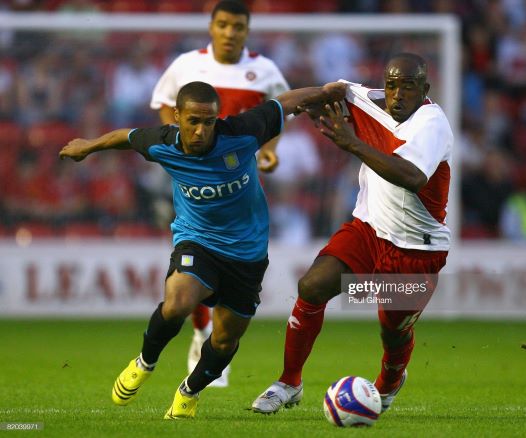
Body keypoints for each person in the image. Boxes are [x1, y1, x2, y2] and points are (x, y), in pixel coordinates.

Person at [58, 80, 346, 419]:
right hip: (198, 240)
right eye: (192, 120)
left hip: (247, 254)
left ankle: (188, 392)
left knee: (224, 340)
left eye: (208, 121)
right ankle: (145, 362)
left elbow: (285, 103)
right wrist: (88, 146)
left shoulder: (242, 131)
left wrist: (325, 93)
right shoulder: (164, 142)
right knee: (178, 302)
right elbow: (125, 136)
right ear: (177, 116)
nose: (200, 130)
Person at [252, 53, 453, 414]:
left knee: (391, 329)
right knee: (313, 286)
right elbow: (309, 99)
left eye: (408, 86)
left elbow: (412, 177)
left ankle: (390, 382)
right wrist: (290, 106)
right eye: (392, 85)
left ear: (424, 89)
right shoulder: (363, 99)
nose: (397, 94)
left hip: (415, 249)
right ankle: (289, 382)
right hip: (369, 228)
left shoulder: (432, 124)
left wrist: (352, 143)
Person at [150, 0, 290, 386]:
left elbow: (280, 114)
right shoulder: (186, 65)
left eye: (238, 27)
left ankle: (212, 336)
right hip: (195, 175)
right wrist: (180, 150)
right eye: (223, 25)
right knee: (197, 251)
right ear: (211, 27)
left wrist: (272, 150)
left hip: (239, 176)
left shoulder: (264, 70)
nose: (230, 33)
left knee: (233, 248)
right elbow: (164, 106)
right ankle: (200, 332)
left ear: (247, 31)